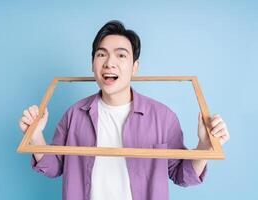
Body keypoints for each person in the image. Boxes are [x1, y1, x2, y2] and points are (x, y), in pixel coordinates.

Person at [18, 20, 230, 200]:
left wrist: (204, 147)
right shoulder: (74, 114)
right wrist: (36, 137)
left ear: (134, 67)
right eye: (101, 55)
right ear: (92, 64)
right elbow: (54, 168)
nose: (110, 63)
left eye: (121, 55)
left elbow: (181, 175)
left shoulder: (163, 117)